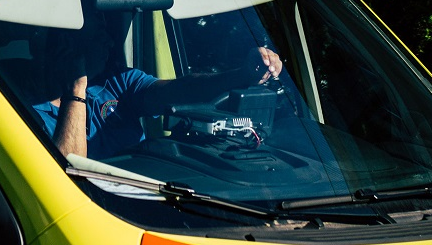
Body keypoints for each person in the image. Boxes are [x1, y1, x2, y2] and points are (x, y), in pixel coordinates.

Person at [34, 12, 282, 159]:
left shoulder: (118, 81)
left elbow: (180, 92)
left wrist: (241, 76)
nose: (109, 42)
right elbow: (67, 172)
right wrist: (75, 91)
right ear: (68, 45)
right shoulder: (29, 112)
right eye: (99, 34)